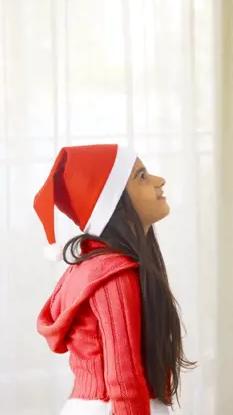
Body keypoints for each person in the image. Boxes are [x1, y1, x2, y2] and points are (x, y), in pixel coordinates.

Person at [33, 144, 195, 415]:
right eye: (141, 176)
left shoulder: (97, 266)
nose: (159, 181)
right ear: (114, 202)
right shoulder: (113, 277)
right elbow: (124, 379)